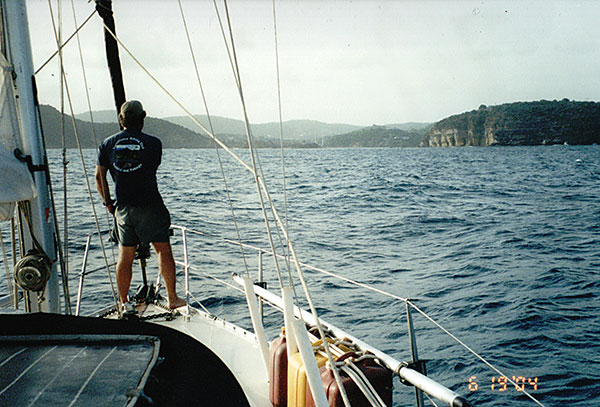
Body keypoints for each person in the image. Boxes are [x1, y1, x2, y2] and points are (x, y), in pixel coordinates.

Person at [95, 100, 186, 309]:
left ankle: (124, 302)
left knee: (125, 255)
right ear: (143, 118)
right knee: (163, 250)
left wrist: (108, 203)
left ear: (121, 119)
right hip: (150, 204)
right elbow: (151, 167)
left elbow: (99, 177)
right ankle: (172, 298)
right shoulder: (154, 143)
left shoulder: (107, 144)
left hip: (123, 208)